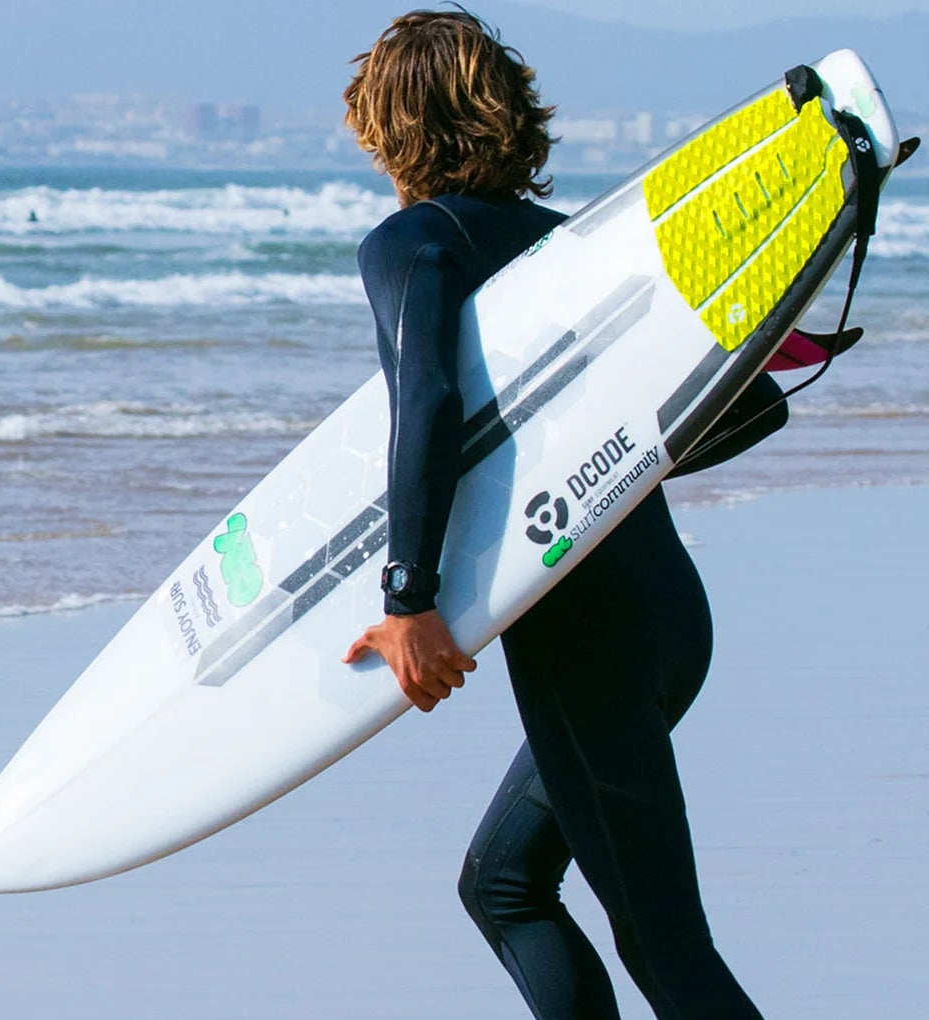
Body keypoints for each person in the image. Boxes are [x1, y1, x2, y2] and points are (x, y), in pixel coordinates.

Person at [336, 10, 792, 1019]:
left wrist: (407, 595)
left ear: (388, 120)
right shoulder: (567, 251)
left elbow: (424, 405)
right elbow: (749, 405)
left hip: (588, 641)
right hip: (665, 617)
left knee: (667, 951)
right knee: (501, 885)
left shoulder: (410, 243)